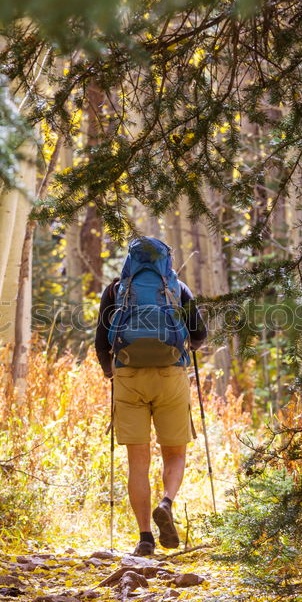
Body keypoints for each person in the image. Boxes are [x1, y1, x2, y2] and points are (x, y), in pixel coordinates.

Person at [95, 237, 207, 556]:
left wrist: (110, 371)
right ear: (165, 261)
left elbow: (101, 341)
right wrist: (192, 346)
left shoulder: (116, 290)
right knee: (174, 454)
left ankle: (145, 538)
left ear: (130, 260)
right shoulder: (178, 288)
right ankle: (166, 502)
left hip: (128, 377)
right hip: (171, 374)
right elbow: (199, 335)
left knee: (137, 463)